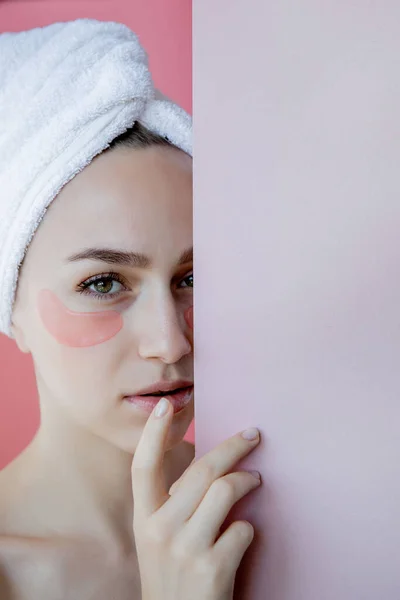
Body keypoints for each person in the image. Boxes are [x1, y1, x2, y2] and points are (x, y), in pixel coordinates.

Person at [0, 19, 261, 599]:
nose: (171, 344)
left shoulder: (273, 503)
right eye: (102, 283)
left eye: (192, 277)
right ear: (10, 306)